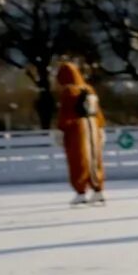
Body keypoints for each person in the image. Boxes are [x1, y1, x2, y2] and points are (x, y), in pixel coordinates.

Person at [53, 61, 105, 205]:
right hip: (93, 125)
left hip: (77, 128)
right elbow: (98, 111)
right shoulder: (89, 89)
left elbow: (65, 113)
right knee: (94, 158)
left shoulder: (69, 91)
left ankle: (81, 191)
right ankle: (98, 189)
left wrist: (61, 129)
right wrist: (100, 126)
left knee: (78, 159)